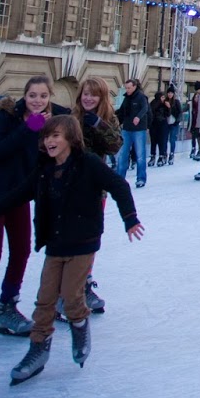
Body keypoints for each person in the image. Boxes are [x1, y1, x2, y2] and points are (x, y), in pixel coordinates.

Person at [0, 114, 144, 385]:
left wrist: (130, 219)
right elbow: (12, 198)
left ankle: (79, 325)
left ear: (70, 137)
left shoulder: (88, 164)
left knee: (70, 296)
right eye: (46, 136)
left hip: (83, 243)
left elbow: (118, 185)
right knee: (44, 300)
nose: (50, 140)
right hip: (55, 245)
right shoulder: (43, 170)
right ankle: (38, 348)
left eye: (56, 135)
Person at [0, 76, 72, 344]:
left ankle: (7, 307)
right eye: (33, 95)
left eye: (43, 96)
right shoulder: (7, 118)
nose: (38, 101)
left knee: (21, 252)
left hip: (19, 196)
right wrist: (29, 128)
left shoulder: (48, 124)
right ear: (25, 95)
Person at [75, 76, 122, 315]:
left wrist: (99, 125)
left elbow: (116, 145)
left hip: (96, 187)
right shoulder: (72, 118)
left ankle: (84, 283)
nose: (88, 98)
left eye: (93, 94)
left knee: (91, 238)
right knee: (68, 238)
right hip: (70, 186)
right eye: (85, 93)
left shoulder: (107, 118)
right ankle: (66, 290)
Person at [114, 79, 149, 188]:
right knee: (122, 154)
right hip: (127, 129)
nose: (127, 90)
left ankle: (141, 178)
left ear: (134, 87)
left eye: (129, 88)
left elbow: (145, 108)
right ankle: (120, 178)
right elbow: (121, 112)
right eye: (126, 88)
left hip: (139, 130)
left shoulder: (141, 97)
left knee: (140, 155)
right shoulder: (126, 98)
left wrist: (138, 117)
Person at [147, 90, 169, 168]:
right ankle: (152, 156)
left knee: (162, 141)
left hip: (162, 124)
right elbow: (149, 113)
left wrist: (168, 107)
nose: (163, 98)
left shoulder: (165, 104)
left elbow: (168, 114)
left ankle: (161, 156)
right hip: (154, 125)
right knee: (153, 141)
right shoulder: (153, 103)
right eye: (162, 97)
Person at [163, 87, 183, 164]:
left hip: (174, 124)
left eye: (171, 93)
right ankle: (164, 154)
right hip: (166, 124)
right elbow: (165, 113)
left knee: (172, 139)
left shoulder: (176, 102)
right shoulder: (165, 102)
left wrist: (170, 107)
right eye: (168, 93)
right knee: (164, 140)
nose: (170, 94)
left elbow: (179, 113)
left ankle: (172, 154)